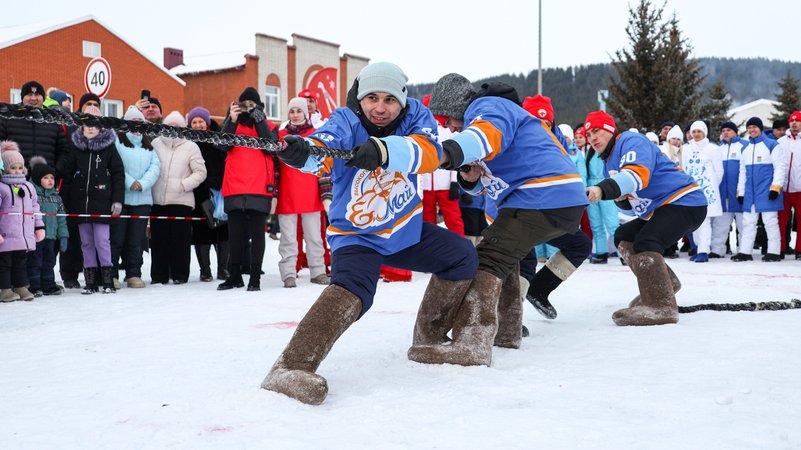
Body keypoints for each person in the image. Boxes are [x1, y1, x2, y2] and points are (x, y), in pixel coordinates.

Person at [262, 62, 477, 405]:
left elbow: (427, 152)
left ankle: (429, 340)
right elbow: (322, 147)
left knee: (461, 256)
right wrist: (302, 152)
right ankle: (291, 366)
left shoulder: (416, 116)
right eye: (372, 98)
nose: (380, 107)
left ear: (402, 101)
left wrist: (384, 151)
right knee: (355, 290)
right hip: (357, 234)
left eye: (389, 99)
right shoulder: (347, 120)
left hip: (404, 229)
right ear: (360, 98)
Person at [407, 73, 587, 364]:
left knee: (487, 259)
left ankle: (472, 343)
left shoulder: (488, 107)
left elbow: (485, 134)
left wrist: (445, 154)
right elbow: (491, 183)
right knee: (507, 259)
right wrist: (470, 179)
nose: (446, 126)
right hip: (551, 199)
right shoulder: (488, 118)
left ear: (457, 106)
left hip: (542, 195)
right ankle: (506, 331)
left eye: (446, 118)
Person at [584, 110, 707, 326]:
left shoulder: (631, 141)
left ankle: (661, 306)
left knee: (646, 242)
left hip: (685, 201)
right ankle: (663, 285)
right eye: (588, 135)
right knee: (623, 235)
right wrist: (621, 199)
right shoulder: (608, 163)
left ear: (611, 130)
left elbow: (637, 174)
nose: (592, 138)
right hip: (661, 208)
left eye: (596, 131)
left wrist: (603, 190)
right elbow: (634, 209)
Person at [216, 87, 278, 291]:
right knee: (234, 235)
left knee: (257, 234)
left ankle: (254, 278)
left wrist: (259, 120)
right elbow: (222, 145)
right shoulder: (232, 124)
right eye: (245, 105)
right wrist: (231, 120)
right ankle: (234, 275)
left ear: (259, 106)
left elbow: (271, 147)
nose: (248, 109)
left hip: (259, 187)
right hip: (234, 186)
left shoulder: (267, 125)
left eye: (252, 105)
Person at [60, 106, 125, 294]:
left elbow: (118, 174)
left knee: (102, 241)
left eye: (94, 124)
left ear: (101, 127)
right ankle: (90, 281)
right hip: (80, 204)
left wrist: (117, 200)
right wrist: (65, 200)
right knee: (86, 243)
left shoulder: (109, 148)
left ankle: (107, 280)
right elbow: (68, 174)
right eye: (86, 124)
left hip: (102, 204)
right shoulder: (76, 148)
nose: (90, 128)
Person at [275, 97, 328, 288]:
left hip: (311, 192)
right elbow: (275, 167)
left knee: (314, 235)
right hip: (287, 192)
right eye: (292, 111)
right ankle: (288, 273)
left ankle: (318, 271)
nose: (295, 115)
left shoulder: (316, 134)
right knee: (288, 237)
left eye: (299, 111)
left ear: (306, 113)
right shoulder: (279, 134)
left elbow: (324, 166)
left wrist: (326, 194)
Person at [150, 112, 207, 284]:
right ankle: (159, 276)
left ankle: (180, 275)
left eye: (177, 126)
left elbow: (201, 172)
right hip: (158, 200)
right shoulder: (155, 143)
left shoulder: (191, 146)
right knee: (158, 241)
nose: (173, 129)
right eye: (170, 126)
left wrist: (183, 185)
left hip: (181, 201)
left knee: (180, 241)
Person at [110, 106, 161, 288]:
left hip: (142, 199)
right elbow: (116, 166)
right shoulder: (117, 141)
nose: (136, 125)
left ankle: (133, 273)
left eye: (139, 122)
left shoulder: (149, 145)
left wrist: (142, 183)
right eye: (132, 121)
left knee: (136, 239)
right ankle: (112, 273)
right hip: (122, 198)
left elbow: (155, 168)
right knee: (116, 237)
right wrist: (130, 182)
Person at [58, 93, 102, 289]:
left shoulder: (103, 130)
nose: (90, 107)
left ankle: (93, 273)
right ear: (80, 107)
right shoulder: (72, 126)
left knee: (93, 236)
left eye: (94, 104)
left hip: (96, 193)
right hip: (73, 189)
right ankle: (69, 274)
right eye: (87, 104)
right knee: (73, 235)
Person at [731, 117, 788, 262]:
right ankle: (745, 251)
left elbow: (780, 168)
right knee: (748, 222)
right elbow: (742, 172)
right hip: (750, 193)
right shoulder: (745, 148)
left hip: (767, 191)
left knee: (770, 221)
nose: (752, 130)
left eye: (754, 127)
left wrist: (776, 188)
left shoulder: (772, 145)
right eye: (749, 127)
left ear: (760, 129)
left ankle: (774, 252)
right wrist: (741, 192)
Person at [187, 106, 229, 282]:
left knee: (223, 231)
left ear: (207, 122)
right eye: (194, 122)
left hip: (219, 192)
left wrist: (219, 184)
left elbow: (225, 163)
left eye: (201, 121)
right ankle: (205, 270)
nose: (198, 125)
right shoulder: (188, 142)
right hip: (198, 193)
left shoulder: (218, 139)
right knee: (201, 232)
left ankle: (223, 269)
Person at [0, 141, 46, 302]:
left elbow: (35, 207)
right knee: (4, 264)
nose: (17, 170)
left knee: (20, 262)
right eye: (13, 167)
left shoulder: (28, 187)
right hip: (6, 236)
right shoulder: (2, 187)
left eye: (20, 167)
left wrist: (39, 226)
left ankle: (20, 286)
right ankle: (4, 289)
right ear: (4, 169)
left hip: (23, 235)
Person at [419, 95, 464, 236]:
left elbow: (456, 156)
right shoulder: (421, 129)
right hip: (426, 184)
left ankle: (459, 245)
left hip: (445, 183)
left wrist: (454, 182)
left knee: (453, 218)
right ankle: (429, 249)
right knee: (427, 219)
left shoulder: (449, 129)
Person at [0, 80, 70, 172]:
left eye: (37, 94)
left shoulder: (53, 120)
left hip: (46, 182)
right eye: (29, 94)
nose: (33, 98)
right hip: (15, 181)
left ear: (43, 98)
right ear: (22, 97)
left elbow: (63, 152)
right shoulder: (8, 118)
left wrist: (55, 172)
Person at [682, 120, 723, 263]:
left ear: (704, 132)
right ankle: (699, 248)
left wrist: (710, 186)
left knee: (704, 220)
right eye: (694, 131)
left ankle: (703, 250)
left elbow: (719, 172)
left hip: (706, 191)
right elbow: (684, 169)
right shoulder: (686, 149)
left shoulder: (713, 149)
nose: (696, 134)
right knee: (694, 222)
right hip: (691, 191)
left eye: (699, 131)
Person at [27, 157, 68, 297]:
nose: (50, 180)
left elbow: (61, 218)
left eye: (52, 177)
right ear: (38, 179)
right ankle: (34, 285)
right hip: (36, 237)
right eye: (46, 177)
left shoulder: (57, 197)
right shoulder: (32, 196)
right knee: (35, 260)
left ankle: (48, 284)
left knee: (49, 261)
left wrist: (63, 235)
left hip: (51, 236)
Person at [711, 121, 747, 258]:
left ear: (735, 132)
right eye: (723, 130)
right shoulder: (718, 149)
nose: (725, 132)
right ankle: (717, 250)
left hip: (739, 194)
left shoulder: (744, 146)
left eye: (729, 130)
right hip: (723, 194)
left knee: (742, 224)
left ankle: (744, 249)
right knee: (720, 225)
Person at [777, 111, 801, 258]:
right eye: (792, 121)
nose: (794, 123)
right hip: (783, 189)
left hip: (799, 189)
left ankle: (799, 249)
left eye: (797, 121)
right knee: (781, 221)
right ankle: (780, 249)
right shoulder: (780, 142)